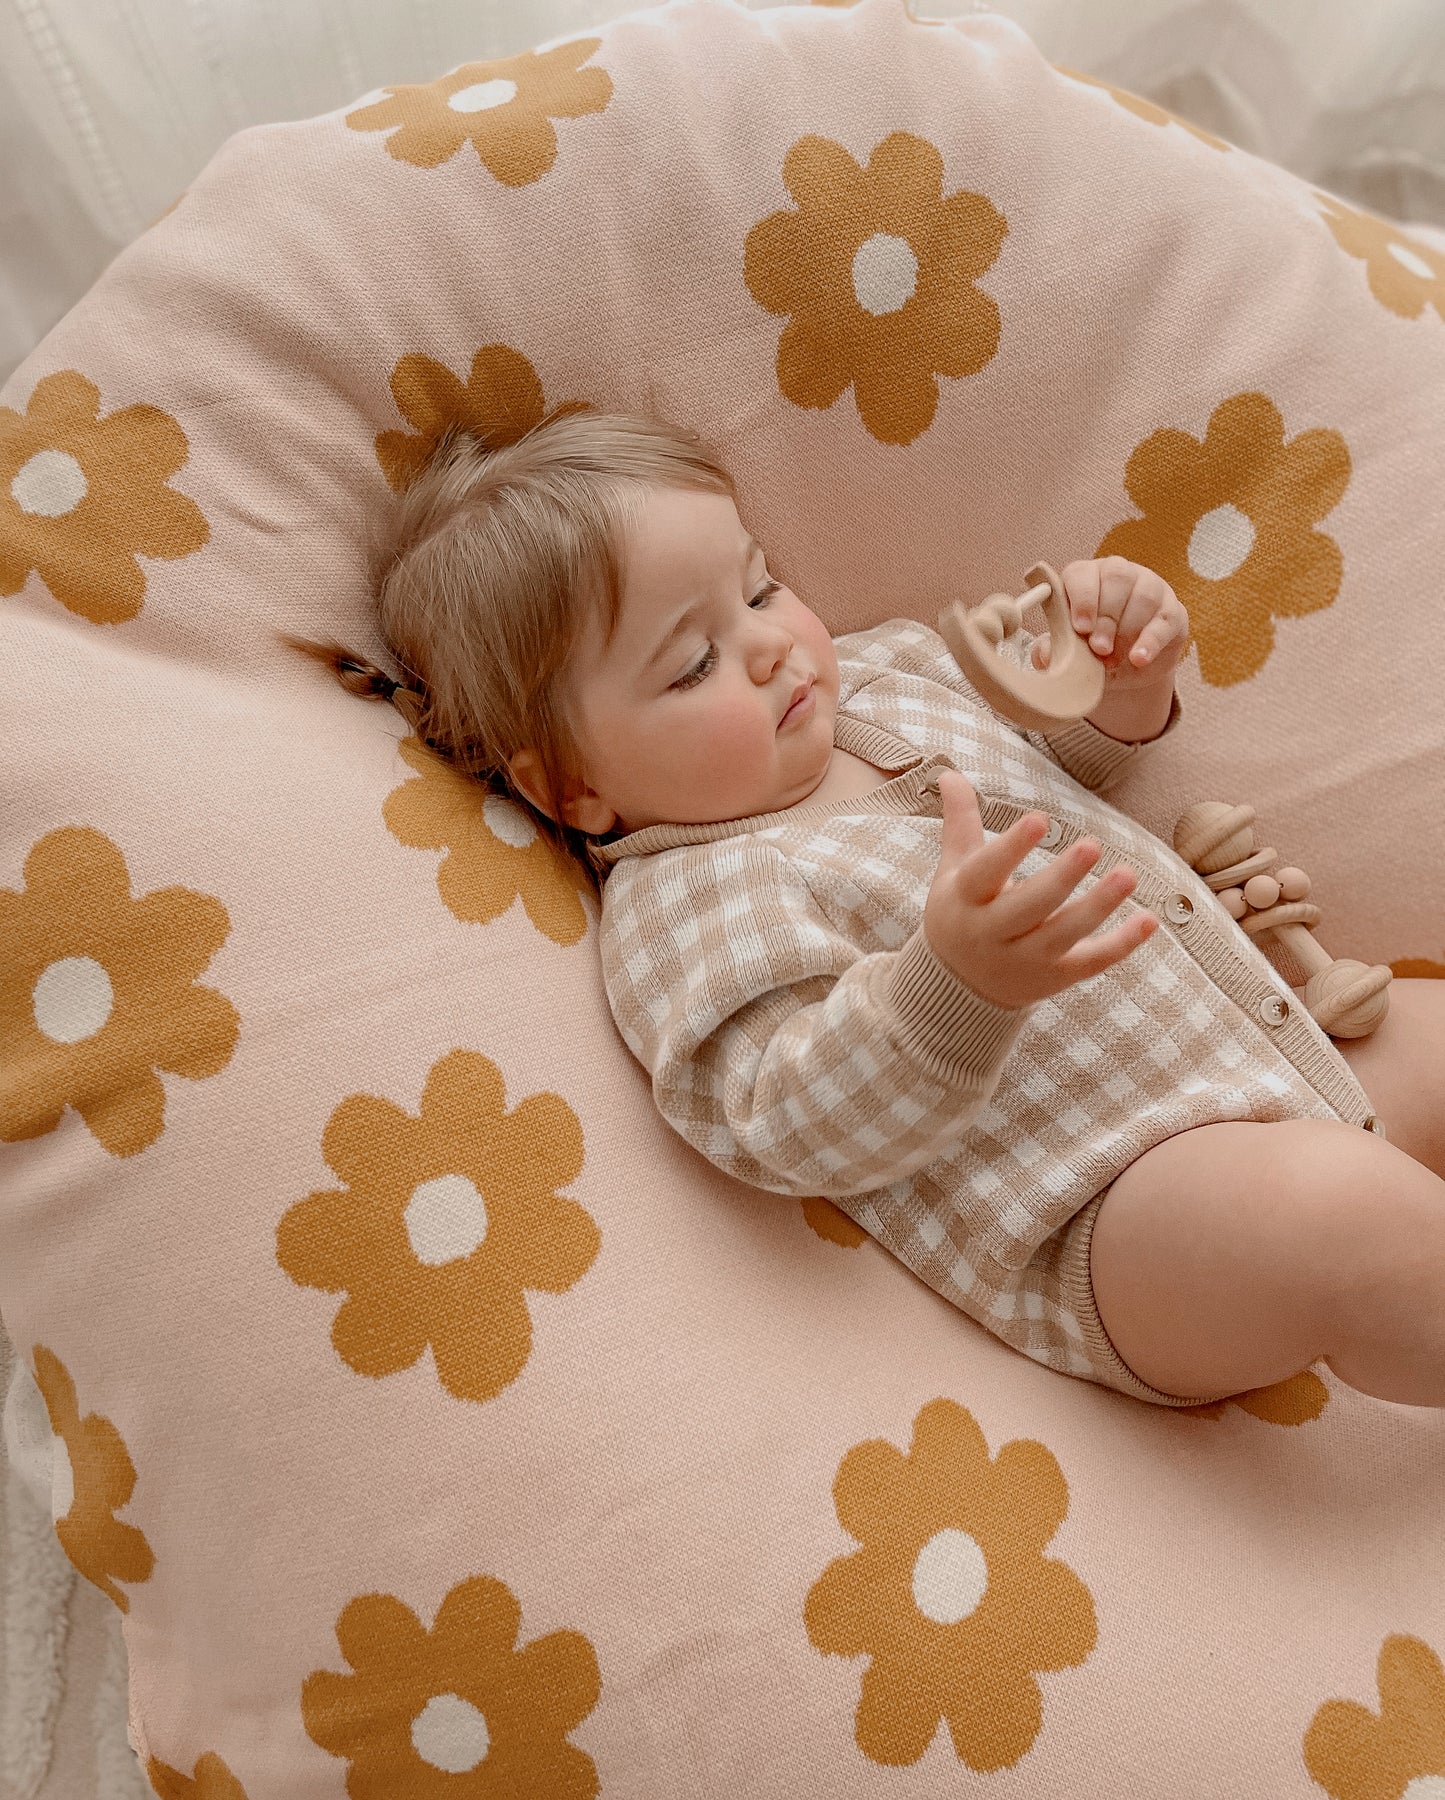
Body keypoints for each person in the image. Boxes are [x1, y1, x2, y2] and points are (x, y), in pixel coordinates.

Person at [291, 409, 1445, 1410]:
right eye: (691, 665)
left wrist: (1123, 691)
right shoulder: (690, 904)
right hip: (1119, 1212)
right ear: (570, 787)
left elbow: (1052, 769)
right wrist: (954, 984)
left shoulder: (885, 672)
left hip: (1271, 1047)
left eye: (758, 587)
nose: (768, 650)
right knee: (1345, 1221)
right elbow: (784, 1120)